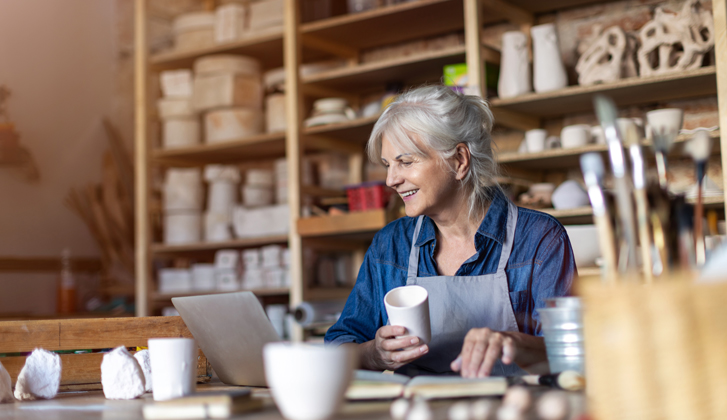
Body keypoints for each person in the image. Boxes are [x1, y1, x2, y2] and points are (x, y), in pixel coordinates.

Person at [324, 85, 575, 377]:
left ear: (459, 160)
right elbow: (338, 346)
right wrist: (373, 354)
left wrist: (512, 343)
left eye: (405, 162)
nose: (391, 179)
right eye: (387, 165)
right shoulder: (391, 245)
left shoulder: (539, 238)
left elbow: (572, 354)